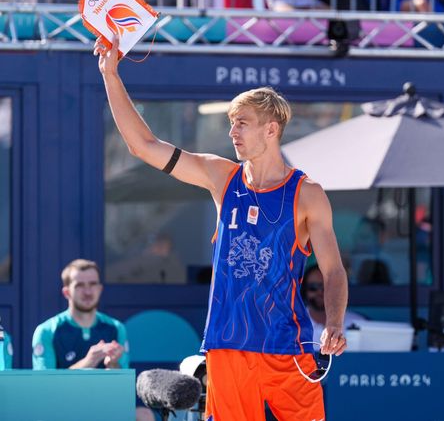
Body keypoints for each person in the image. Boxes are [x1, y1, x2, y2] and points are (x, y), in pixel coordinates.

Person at [94, 37, 348, 421]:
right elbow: (143, 146)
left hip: (286, 347)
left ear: (271, 129)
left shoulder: (307, 194)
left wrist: (333, 323)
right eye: (231, 123)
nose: (232, 132)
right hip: (227, 346)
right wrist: (110, 74)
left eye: (242, 123)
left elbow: (333, 271)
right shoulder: (221, 177)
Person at [32, 259, 129, 370]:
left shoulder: (116, 328)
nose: (87, 292)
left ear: (100, 289)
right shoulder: (47, 331)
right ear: (66, 292)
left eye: (92, 284)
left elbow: (122, 384)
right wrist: (88, 362)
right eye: (79, 285)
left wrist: (112, 364)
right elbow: (44, 383)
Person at [301, 265, 366, 345]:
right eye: (313, 287)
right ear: (304, 291)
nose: (320, 292)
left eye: (325, 287)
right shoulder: (293, 324)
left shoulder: (358, 324)